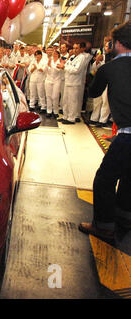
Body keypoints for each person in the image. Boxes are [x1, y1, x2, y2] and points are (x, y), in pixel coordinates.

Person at [79, 22, 131, 241]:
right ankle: (125, 215)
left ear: (116, 43)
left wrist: (99, 65)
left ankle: (104, 224)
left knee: (104, 179)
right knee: (129, 176)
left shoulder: (110, 68)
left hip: (128, 135)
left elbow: (93, 92)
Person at [58, 43, 86, 124]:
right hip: (67, 81)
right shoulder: (72, 57)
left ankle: (71, 118)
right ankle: (65, 116)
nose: (74, 50)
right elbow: (66, 64)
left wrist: (64, 67)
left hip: (74, 83)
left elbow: (76, 70)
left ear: (81, 49)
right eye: (73, 48)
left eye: (77, 48)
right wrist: (63, 66)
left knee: (72, 101)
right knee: (65, 100)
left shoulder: (82, 57)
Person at [88, 52, 110, 127]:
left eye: (108, 45)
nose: (107, 47)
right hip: (99, 81)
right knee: (97, 100)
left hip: (108, 82)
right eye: (106, 45)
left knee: (105, 101)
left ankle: (103, 120)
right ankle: (94, 118)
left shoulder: (112, 56)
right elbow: (93, 69)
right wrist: (97, 61)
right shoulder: (100, 53)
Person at [45, 50, 64, 118]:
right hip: (48, 80)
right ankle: (49, 111)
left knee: (55, 96)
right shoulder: (50, 60)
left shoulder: (60, 61)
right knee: (48, 96)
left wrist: (51, 66)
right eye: (54, 53)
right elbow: (45, 70)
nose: (55, 55)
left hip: (57, 80)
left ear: (58, 55)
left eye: (56, 54)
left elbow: (58, 69)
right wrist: (48, 65)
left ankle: (55, 111)